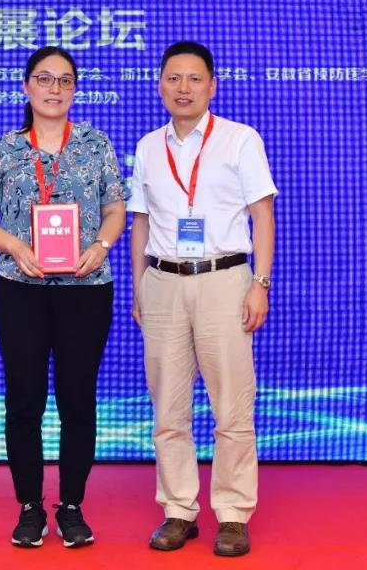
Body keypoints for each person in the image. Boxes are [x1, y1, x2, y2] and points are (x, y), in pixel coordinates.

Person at [0, 46, 126, 548]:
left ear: (74, 90)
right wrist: (16, 246)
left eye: (64, 80)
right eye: (44, 79)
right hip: (21, 290)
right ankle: (30, 506)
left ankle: (72, 506)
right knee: (25, 400)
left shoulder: (96, 144)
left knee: (78, 399)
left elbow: (116, 208)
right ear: (26, 87)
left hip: (86, 290)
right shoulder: (6, 149)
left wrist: (101, 247)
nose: (54, 89)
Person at [127, 41, 276, 556]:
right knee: (168, 410)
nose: (183, 88)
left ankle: (232, 514)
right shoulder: (149, 146)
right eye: (173, 78)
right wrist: (140, 286)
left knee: (231, 407)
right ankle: (178, 510)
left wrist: (260, 283)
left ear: (212, 85)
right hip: (163, 283)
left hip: (224, 280)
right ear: (160, 85)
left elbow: (262, 216)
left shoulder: (239, 139)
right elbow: (140, 222)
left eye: (194, 78)